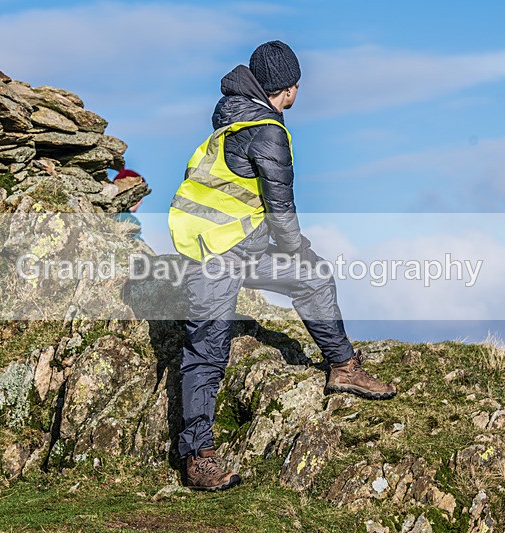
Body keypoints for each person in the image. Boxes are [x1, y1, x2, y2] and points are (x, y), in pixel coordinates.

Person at [167, 41, 397, 492]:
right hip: (214, 253)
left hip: (237, 246)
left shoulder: (234, 115)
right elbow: (281, 208)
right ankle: (197, 456)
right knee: (207, 350)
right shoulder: (265, 129)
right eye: (297, 85)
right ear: (287, 89)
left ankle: (343, 368)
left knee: (312, 279)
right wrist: (297, 248)